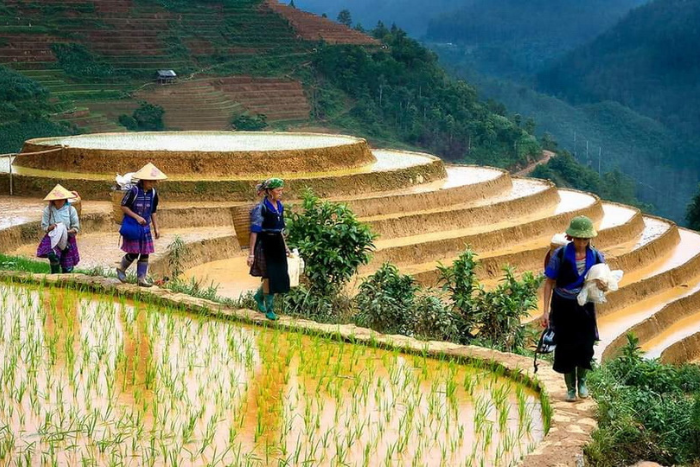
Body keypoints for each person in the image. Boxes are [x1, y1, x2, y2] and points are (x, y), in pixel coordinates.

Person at [541, 215, 607, 402]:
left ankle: (582, 382)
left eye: (585, 239)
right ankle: (570, 388)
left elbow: (603, 281)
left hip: (585, 306)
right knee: (565, 346)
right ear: (571, 237)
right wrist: (545, 311)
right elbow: (548, 283)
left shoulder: (596, 256)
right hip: (562, 306)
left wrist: (603, 285)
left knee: (585, 345)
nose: (582, 242)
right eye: (578, 238)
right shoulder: (560, 255)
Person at [116, 163, 167, 287]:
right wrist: (137, 217)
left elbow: (153, 211)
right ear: (143, 180)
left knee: (145, 253)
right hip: (133, 225)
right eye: (150, 181)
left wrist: (156, 228)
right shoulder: (133, 191)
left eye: (153, 181)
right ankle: (121, 268)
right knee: (134, 252)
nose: (152, 184)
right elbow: (123, 206)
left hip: (145, 227)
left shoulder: (154, 194)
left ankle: (141, 279)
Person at [247, 178, 291, 321]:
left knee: (279, 274)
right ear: (269, 192)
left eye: (281, 190)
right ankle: (269, 310)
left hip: (277, 242)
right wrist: (251, 254)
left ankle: (259, 296)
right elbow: (254, 231)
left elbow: (280, 230)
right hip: (265, 244)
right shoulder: (261, 208)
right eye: (278, 190)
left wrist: (286, 247)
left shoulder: (280, 206)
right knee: (269, 276)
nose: (280, 192)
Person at [37, 184, 81, 273]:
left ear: (65, 199)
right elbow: (44, 226)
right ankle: (54, 278)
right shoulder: (48, 210)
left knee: (67, 267)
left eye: (61, 199)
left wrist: (64, 231)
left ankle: (66, 281)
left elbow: (76, 227)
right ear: (53, 200)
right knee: (53, 257)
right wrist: (52, 227)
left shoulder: (71, 210)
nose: (59, 201)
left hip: (68, 238)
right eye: (57, 200)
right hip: (53, 237)